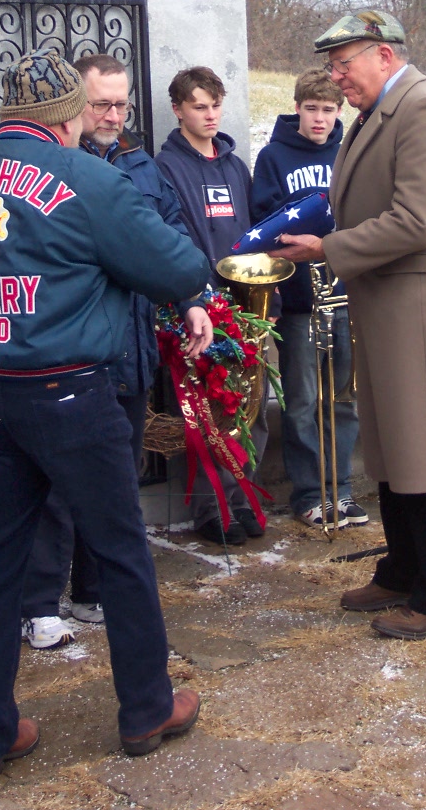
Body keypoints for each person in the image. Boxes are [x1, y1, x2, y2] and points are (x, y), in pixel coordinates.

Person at [0, 49, 211, 782]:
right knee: (120, 549)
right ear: (65, 116)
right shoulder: (88, 178)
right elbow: (176, 267)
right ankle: (146, 708)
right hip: (68, 394)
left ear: (6, 116)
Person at [270, 9, 426, 642]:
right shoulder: (382, 112)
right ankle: (403, 571)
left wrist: (327, 247)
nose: (338, 77)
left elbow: (416, 221)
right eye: (333, 66)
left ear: (385, 54)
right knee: (401, 449)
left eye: (345, 63)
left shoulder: (423, 110)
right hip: (395, 307)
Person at [19, 53, 213, 650]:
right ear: (72, 106)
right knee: (52, 490)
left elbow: (170, 235)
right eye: (99, 103)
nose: (111, 115)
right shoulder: (51, 168)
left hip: (127, 350)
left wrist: (190, 299)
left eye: (121, 104)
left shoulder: (139, 164)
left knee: (118, 480)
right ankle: (38, 604)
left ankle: (93, 589)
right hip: (65, 355)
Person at [155, 66, 267, 546]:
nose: (210, 115)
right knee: (205, 412)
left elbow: (256, 232)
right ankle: (211, 508)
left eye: (216, 105)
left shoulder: (234, 164)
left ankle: (243, 498)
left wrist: (269, 295)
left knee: (251, 408)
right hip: (200, 308)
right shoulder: (166, 167)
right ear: (178, 109)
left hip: (246, 306)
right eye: (199, 106)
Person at [250, 68, 367, 529]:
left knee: (342, 399)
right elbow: (265, 222)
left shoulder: (349, 150)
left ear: (340, 112)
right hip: (300, 299)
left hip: (346, 295)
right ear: (297, 108)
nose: (320, 119)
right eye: (312, 109)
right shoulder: (274, 156)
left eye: (329, 110)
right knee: (302, 401)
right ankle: (308, 494)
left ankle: (342, 490)